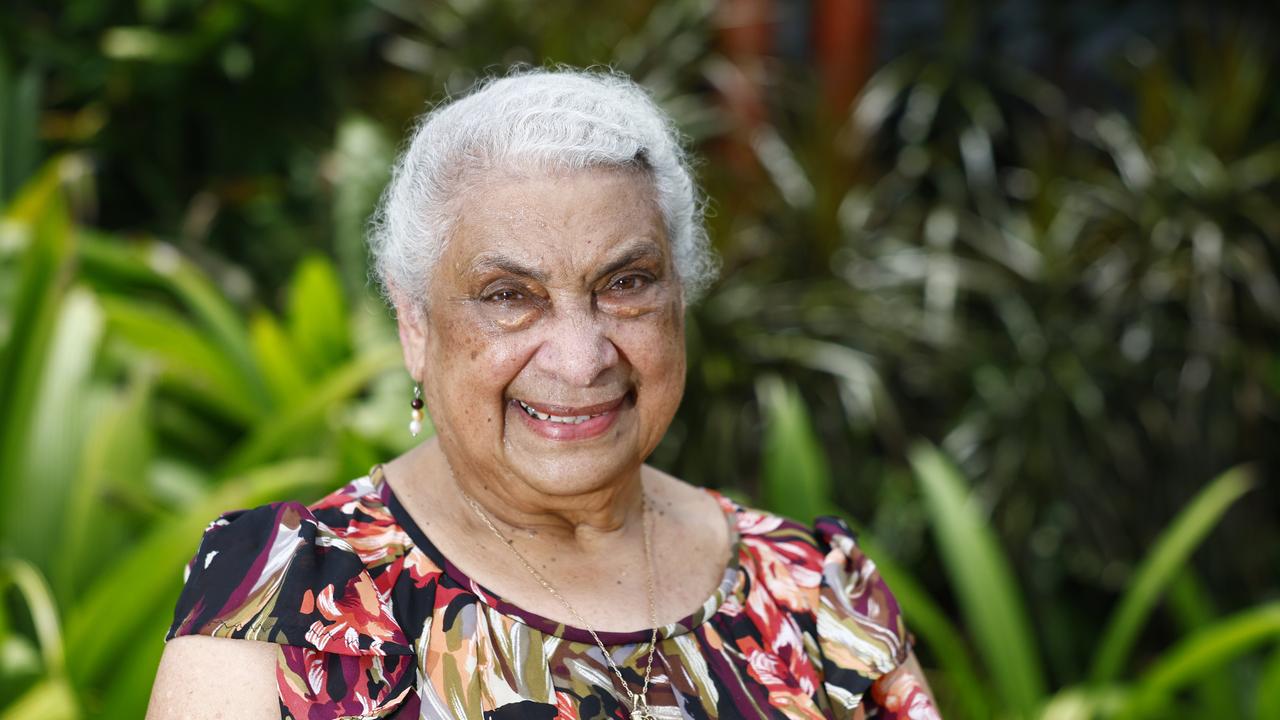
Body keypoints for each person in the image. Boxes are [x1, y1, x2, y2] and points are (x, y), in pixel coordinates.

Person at [146, 67, 939, 720]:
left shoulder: (812, 595)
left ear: (680, 299)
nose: (581, 356)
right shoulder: (277, 605)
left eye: (626, 283)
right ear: (415, 323)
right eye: (507, 295)